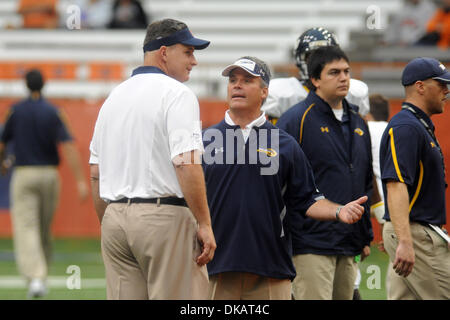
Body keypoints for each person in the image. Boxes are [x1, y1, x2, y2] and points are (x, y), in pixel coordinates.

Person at [202, 56, 368, 300]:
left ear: (264, 92)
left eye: (247, 80)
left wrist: (338, 211)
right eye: (233, 80)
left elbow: (308, 199)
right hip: (215, 267)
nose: (237, 85)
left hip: (270, 268)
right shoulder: (204, 140)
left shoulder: (285, 144)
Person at [89, 18, 216, 300]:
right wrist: (204, 224)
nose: (193, 61)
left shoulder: (114, 96)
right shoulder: (177, 94)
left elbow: (96, 172)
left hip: (115, 217)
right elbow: (186, 162)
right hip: (163, 218)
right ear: (163, 52)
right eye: (188, 52)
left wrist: (108, 221)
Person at [276, 46, 374, 300]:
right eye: (334, 72)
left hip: (348, 241)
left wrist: (364, 235)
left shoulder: (358, 121)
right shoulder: (294, 120)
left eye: (346, 71)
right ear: (315, 80)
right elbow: (278, 182)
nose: (343, 77)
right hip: (310, 242)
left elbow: (364, 181)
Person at [0, 69, 88, 298]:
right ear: (44, 85)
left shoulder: (15, 111)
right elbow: (68, 145)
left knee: (27, 226)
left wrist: (2, 164)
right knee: (43, 227)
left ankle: (36, 278)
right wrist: (80, 180)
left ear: (26, 85)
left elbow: (2, 142)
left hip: (24, 173)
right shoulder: (54, 111)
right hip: (50, 174)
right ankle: (42, 275)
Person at [380, 57, 450, 300]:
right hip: (417, 235)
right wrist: (404, 240)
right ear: (420, 86)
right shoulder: (406, 127)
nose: (446, 90)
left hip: (413, 231)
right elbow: (396, 185)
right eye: (441, 84)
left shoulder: (416, 125)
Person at [262, 27, 370, 124]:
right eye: (312, 56)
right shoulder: (281, 94)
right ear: (300, 59)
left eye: (326, 57)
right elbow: (267, 140)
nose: (317, 62)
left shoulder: (353, 92)